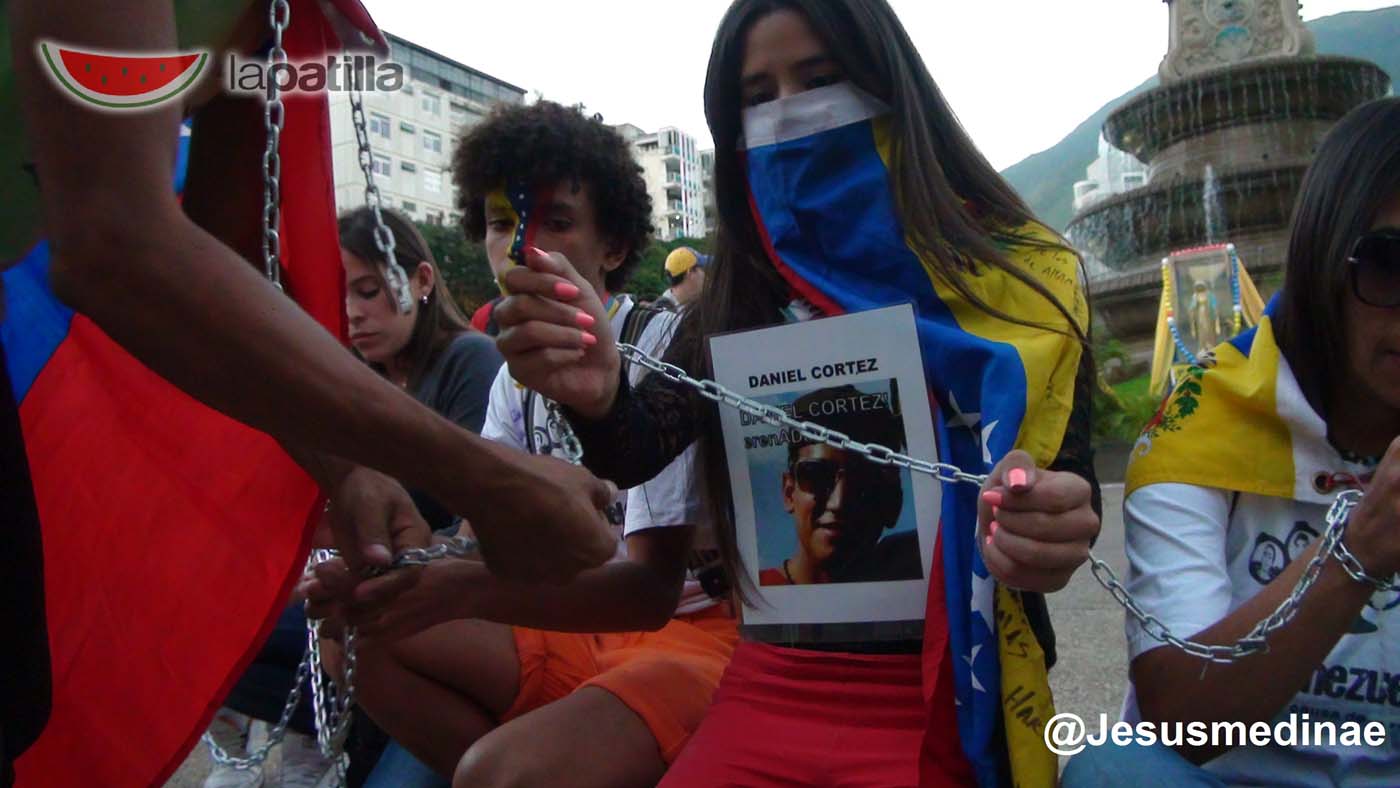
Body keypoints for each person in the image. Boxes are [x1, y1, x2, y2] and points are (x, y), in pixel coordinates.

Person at [492, 1, 1102, 784]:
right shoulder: (739, 293)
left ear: (891, 89)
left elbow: (1071, 480)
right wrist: (599, 393)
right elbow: (639, 446)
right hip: (774, 677)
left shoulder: (1025, 283)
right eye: (755, 97)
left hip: (945, 685)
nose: (789, 115)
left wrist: (1053, 521)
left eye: (820, 80)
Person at [2, 2, 614, 779]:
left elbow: (232, 246)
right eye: (501, 222)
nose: (522, 244)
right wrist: (488, 483)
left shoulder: (490, 358)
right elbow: (115, 237)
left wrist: (349, 469)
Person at [304, 101, 737, 788]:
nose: (521, 246)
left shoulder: (662, 346)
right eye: (503, 222)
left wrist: (453, 589)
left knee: (501, 772)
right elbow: (480, 538)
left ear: (616, 246)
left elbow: (648, 593)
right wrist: (398, 571)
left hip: (689, 634)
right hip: (564, 625)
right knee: (357, 629)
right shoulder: (511, 375)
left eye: (556, 222)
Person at [1061, 97, 1400, 787]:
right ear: (1325, 263)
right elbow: (1180, 713)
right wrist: (1360, 549)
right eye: (1390, 266)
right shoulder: (1200, 424)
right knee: (1114, 775)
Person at [205, 207, 503, 788]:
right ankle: (298, 743)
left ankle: (319, 743)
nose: (354, 312)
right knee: (217, 621)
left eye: (369, 290)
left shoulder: (468, 360)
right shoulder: (363, 383)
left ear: (420, 280)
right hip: (366, 611)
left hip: (442, 617)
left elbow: (481, 524)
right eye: (342, 296)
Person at [758, 384, 919, 586]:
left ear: (892, 501)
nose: (838, 502)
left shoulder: (929, 574)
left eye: (863, 482)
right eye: (817, 476)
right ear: (789, 492)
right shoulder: (748, 596)